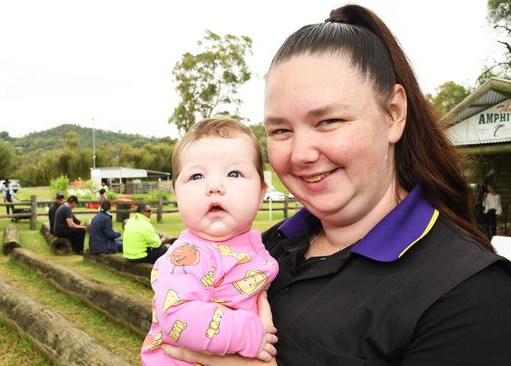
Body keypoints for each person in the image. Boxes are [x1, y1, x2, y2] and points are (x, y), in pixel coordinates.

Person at [164, 4, 511, 366]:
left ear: (393, 114)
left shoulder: (471, 293)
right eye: (281, 130)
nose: (301, 154)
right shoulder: (268, 248)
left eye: (328, 121)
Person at [141, 118, 279, 365]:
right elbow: (175, 314)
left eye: (234, 173)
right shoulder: (189, 254)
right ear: (177, 194)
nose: (214, 187)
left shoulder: (252, 247)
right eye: (196, 176)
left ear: (261, 193)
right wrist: (248, 333)